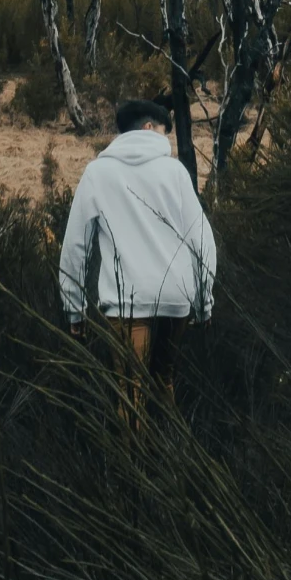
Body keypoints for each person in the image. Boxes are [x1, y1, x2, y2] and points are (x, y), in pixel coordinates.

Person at [58, 97, 216, 402]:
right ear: (147, 128)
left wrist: (74, 308)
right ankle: (170, 448)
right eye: (163, 131)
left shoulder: (97, 173)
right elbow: (200, 238)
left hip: (126, 300)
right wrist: (203, 301)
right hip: (176, 295)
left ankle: (134, 451)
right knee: (164, 380)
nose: (165, 140)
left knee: (132, 394)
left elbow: (76, 244)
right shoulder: (175, 172)